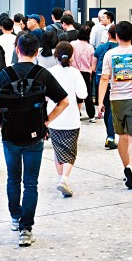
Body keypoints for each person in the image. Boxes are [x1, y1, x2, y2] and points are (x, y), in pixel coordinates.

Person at [0, 31, 69, 246]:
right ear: (37, 52)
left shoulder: (5, 74)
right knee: (31, 183)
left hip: (10, 135)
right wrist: (47, 121)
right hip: (35, 136)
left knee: (13, 179)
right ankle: (26, 230)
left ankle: (15, 218)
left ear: (17, 50)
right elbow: (64, 101)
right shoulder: (42, 74)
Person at [97, 21, 132, 189]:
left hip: (116, 99)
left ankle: (126, 166)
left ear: (116, 36)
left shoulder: (110, 54)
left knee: (122, 137)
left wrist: (100, 102)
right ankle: (131, 166)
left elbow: (104, 78)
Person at [47, 42, 88, 197]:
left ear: (55, 55)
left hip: (53, 117)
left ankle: (60, 179)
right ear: (71, 56)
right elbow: (83, 94)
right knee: (70, 152)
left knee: (58, 151)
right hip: (71, 118)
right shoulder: (75, 73)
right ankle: (64, 178)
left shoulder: (49, 72)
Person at [70, 29, 96, 120]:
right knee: (88, 93)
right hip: (86, 72)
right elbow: (92, 62)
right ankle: (91, 115)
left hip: (75, 71)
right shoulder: (90, 47)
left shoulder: (73, 44)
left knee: (74, 93)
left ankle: (76, 113)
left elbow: (71, 59)